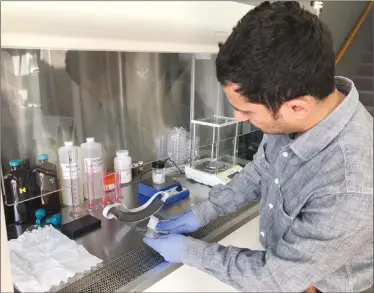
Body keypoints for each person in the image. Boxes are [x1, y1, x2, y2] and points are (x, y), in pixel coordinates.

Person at [143, 1, 373, 292]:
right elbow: (260, 172)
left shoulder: (351, 183)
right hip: (295, 270)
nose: (239, 118)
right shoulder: (292, 112)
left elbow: (275, 278)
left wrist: (189, 252)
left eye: (248, 112)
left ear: (297, 107)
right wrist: (202, 214)